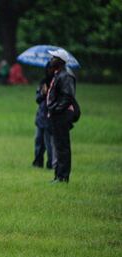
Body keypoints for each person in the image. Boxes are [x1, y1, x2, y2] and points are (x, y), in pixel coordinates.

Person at [46, 49, 77, 183]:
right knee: (58, 146)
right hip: (57, 115)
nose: (51, 59)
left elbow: (67, 97)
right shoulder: (58, 74)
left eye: (53, 57)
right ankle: (58, 175)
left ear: (60, 61)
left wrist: (55, 109)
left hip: (61, 116)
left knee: (62, 147)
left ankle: (63, 177)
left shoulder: (66, 76)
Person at [32, 62, 54, 169]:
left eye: (52, 68)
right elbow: (37, 99)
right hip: (41, 116)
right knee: (39, 142)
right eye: (48, 68)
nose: (50, 70)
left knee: (49, 143)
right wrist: (43, 93)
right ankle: (38, 163)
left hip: (51, 117)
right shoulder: (43, 82)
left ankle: (51, 164)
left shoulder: (57, 82)